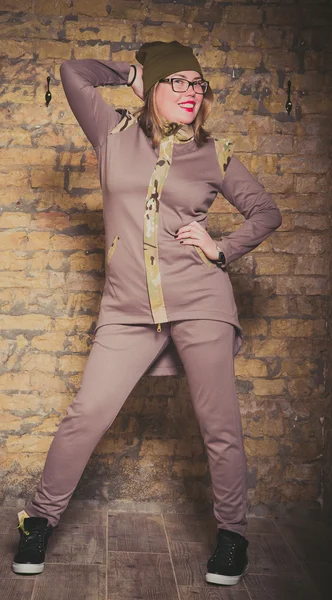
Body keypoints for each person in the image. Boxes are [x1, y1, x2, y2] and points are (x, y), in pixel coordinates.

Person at [12, 41, 282, 585]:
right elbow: (72, 72)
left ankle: (232, 536)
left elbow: (266, 211)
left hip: (201, 302)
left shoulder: (215, 153)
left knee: (220, 426)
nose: (191, 92)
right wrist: (132, 72)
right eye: (176, 81)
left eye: (198, 85)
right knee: (86, 414)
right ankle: (39, 520)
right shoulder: (112, 134)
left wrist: (220, 246)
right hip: (127, 307)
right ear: (152, 87)